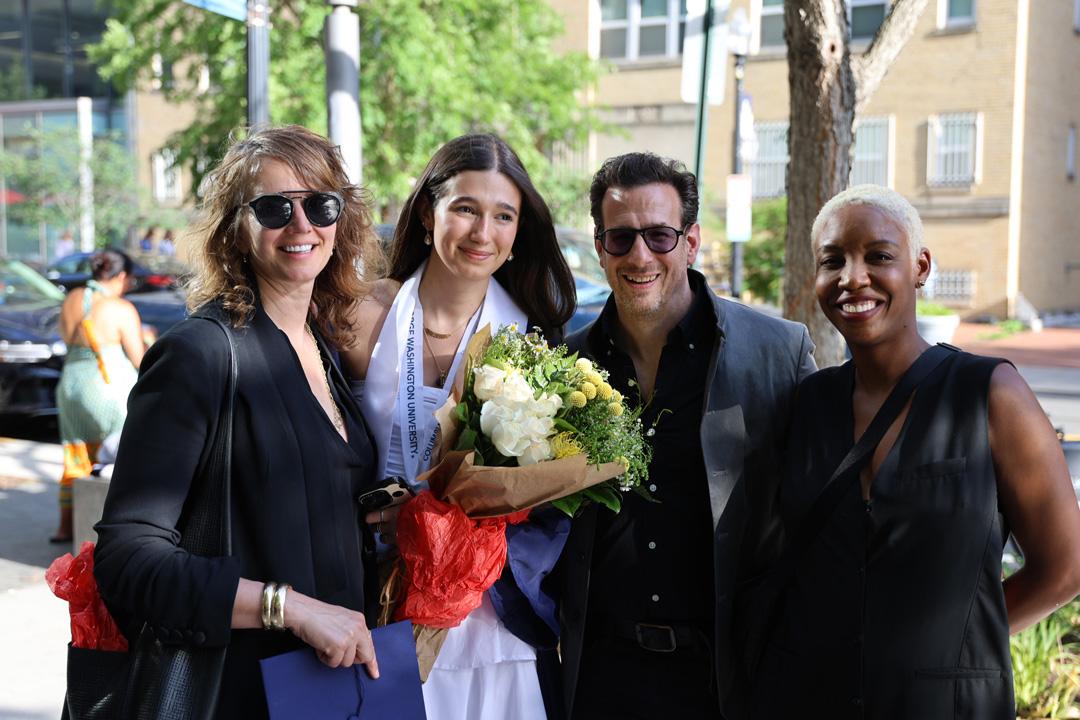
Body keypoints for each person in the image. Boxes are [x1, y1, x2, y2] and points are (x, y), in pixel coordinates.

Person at [749, 185, 1080, 718]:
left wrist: (960, 643)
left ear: (921, 266)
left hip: (944, 705)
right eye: (832, 261)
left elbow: (1065, 568)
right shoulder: (805, 404)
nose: (853, 277)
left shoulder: (990, 393)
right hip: (808, 699)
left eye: (878, 256)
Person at [93, 125, 385, 718]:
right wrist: (291, 608)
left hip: (333, 687)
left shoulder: (323, 347)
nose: (302, 225)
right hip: (241, 691)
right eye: (274, 207)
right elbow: (126, 560)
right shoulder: (200, 355)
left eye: (320, 204)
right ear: (235, 229)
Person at [555, 152, 816, 719]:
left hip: (725, 683)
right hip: (600, 679)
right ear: (599, 248)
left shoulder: (777, 353)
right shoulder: (562, 367)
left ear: (691, 242)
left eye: (660, 235)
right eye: (621, 238)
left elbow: (818, 521)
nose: (640, 255)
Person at [342, 133, 576, 720]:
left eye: (503, 215)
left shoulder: (535, 343)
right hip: (369, 593)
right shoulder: (363, 315)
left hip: (486, 615)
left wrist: (449, 531)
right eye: (465, 208)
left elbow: (546, 507)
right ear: (427, 211)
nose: (482, 232)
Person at [51, 248, 144, 543]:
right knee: (121, 457)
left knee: (76, 457)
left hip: (70, 384)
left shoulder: (71, 299)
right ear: (120, 276)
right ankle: (117, 527)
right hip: (108, 386)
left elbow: (67, 338)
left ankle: (66, 527)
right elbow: (140, 359)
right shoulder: (119, 308)